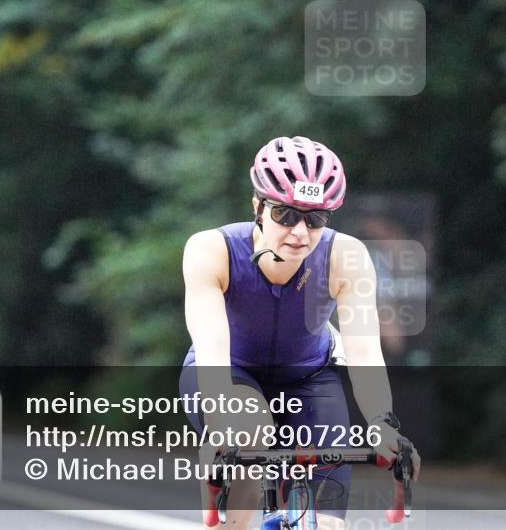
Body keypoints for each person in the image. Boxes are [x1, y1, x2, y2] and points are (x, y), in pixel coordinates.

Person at [179, 136, 420, 530]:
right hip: (232, 375)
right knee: (250, 431)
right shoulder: (211, 250)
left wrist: (381, 422)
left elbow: (363, 352)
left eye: (315, 219)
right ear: (258, 207)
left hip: (309, 380)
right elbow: (212, 351)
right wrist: (221, 422)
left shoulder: (347, 256)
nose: (300, 232)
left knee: (326, 524)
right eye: (286, 215)